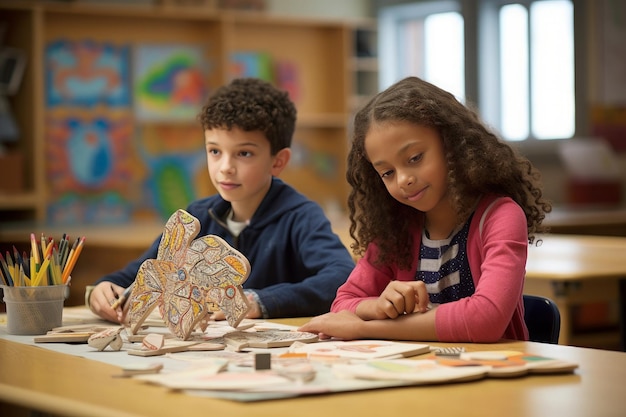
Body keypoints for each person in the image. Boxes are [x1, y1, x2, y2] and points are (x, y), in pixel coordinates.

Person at [299, 76, 552, 343]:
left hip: (493, 374)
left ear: (452, 144)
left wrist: (365, 327)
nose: (403, 179)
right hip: (419, 374)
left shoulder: (500, 216)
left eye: (415, 158)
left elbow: (485, 320)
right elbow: (344, 303)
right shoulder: (397, 229)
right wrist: (378, 306)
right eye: (387, 172)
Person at [88, 77, 355, 323]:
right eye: (215, 151)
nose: (225, 167)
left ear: (278, 161)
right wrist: (103, 289)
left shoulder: (301, 216)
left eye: (244, 154)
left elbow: (341, 277)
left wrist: (261, 302)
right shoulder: (197, 217)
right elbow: (143, 273)